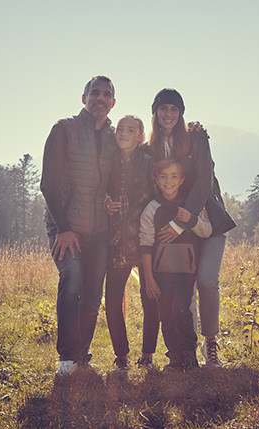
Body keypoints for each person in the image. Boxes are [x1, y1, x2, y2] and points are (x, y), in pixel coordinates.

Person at [147, 88, 236, 368]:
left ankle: (211, 344)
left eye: (174, 109)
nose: (168, 114)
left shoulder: (196, 137)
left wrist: (180, 222)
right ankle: (188, 352)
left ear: (182, 113)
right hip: (173, 227)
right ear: (155, 113)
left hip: (205, 219)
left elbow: (203, 182)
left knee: (207, 282)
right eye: (163, 109)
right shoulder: (151, 145)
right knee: (184, 288)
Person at [40, 75, 117, 376]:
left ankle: (82, 353)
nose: (100, 99)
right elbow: (48, 185)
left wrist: (111, 199)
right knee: (71, 279)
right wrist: (63, 228)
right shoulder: (64, 130)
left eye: (106, 94)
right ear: (83, 98)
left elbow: (113, 181)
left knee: (93, 293)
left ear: (113, 102)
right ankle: (67, 357)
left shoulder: (112, 138)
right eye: (94, 93)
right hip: (66, 226)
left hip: (99, 230)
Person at [140, 158, 212, 371]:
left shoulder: (191, 205)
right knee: (166, 314)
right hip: (160, 273)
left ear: (181, 179)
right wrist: (149, 280)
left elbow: (207, 231)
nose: (168, 181)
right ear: (156, 179)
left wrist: (191, 220)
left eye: (173, 176)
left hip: (185, 272)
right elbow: (145, 244)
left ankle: (189, 357)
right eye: (163, 176)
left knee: (181, 309)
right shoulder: (152, 209)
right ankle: (174, 358)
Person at [103, 115, 159, 372]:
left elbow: (159, 197)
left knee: (150, 296)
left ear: (140, 136)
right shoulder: (109, 161)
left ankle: (147, 355)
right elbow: (98, 187)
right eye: (120, 129)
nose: (123, 133)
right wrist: (104, 199)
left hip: (145, 238)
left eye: (131, 130)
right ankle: (121, 356)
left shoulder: (148, 163)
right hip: (117, 241)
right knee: (113, 299)